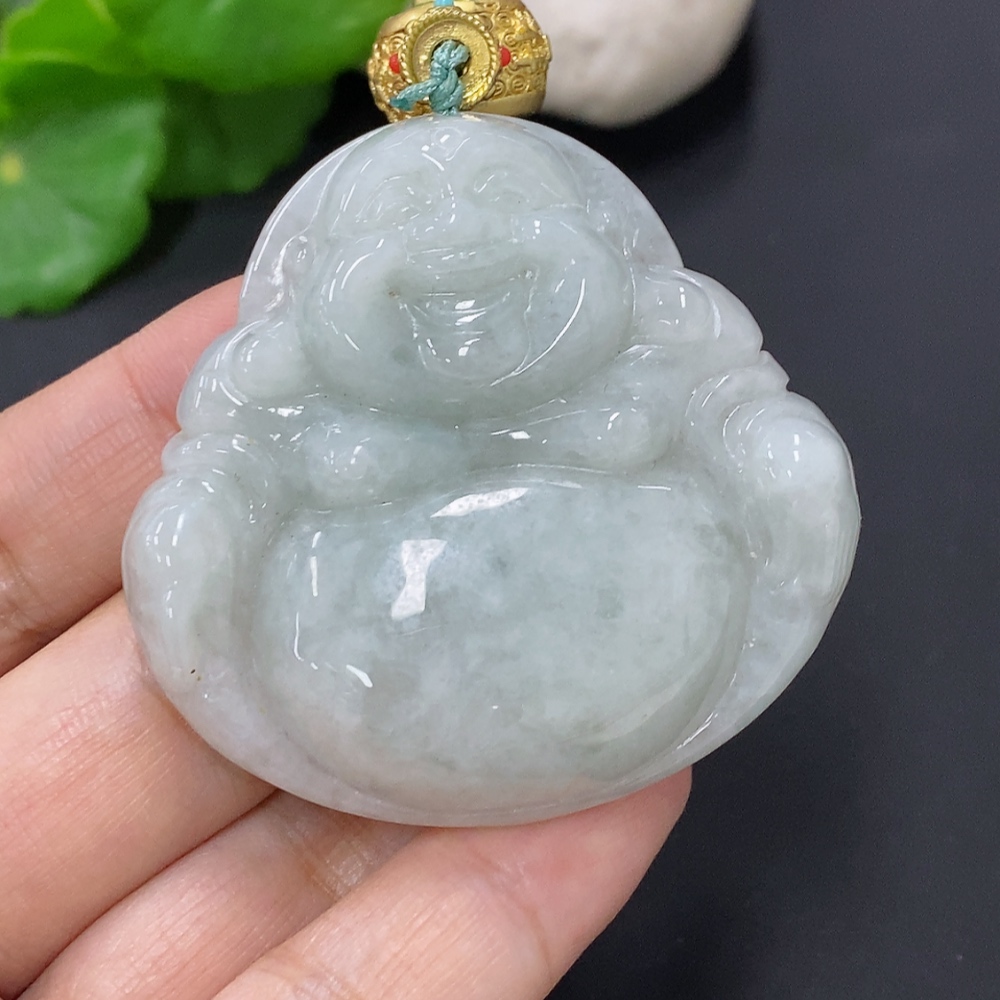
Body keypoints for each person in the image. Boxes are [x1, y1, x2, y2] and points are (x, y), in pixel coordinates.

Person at [0, 280, 690, 1000]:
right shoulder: (281, 396)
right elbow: (208, 517)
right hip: (360, 689)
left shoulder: (649, 355)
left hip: (622, 673)